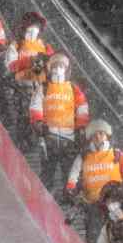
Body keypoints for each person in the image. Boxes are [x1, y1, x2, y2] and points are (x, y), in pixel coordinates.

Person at [64, 118, 123, 243]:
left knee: (119, 234)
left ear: (107, 136)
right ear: (90, 138)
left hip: (115, 204)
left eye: (101, 133)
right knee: (94, 238)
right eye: (95, 135)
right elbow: (74, 174)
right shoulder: (84, 156)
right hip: (93, 206)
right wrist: (70, 189)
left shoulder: (117, 155)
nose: (98, 137)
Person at [28, 53, 88, 191]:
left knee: (68, 171)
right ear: (50, 68)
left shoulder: (73, 89)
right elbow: (35, 106)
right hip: (50, 136)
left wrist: (80, 127)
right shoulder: (43, 88)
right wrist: (38, 123)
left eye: (61, 66)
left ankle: (67, 196)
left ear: (66, 69)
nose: (57, 69)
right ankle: (44, 193)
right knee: (48, 169)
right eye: (55, 66)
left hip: (68, 137)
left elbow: (82, 108)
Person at [6, 11, 53, 145]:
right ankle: (22, 140)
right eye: (29, 29)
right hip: (22, 87)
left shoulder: (45, 47)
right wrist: (29, 62)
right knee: (23, 114)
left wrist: (44, 63)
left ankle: (36, 141)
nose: (32, 33)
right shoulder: (17, 45)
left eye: (36, 29)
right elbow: (11, 65)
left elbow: (52, 63)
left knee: (38, 115)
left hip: (39, 87)